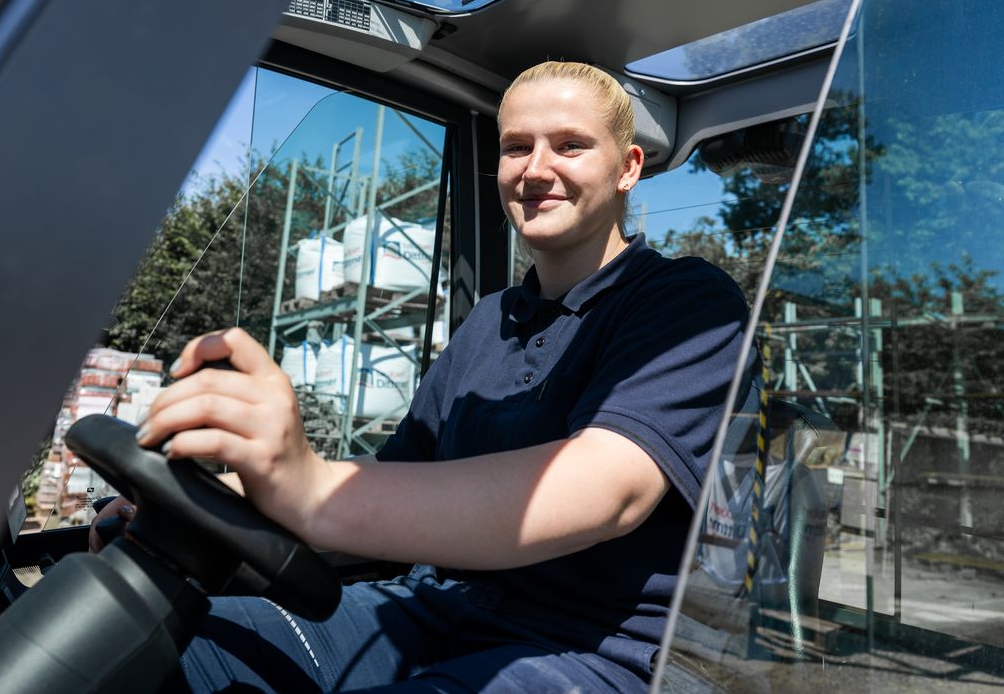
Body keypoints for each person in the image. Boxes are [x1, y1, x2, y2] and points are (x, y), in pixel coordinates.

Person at [106, 62, 758, 692]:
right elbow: (396, 473)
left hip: (592, 649)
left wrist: (310, 490)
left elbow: (609, 488)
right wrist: (202, 498)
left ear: (628, 167)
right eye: (516, 147)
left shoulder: (685, 303)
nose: (535, 169)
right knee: (148, 646)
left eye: (569, 145)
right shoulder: (488, 321)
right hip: (437, 607)